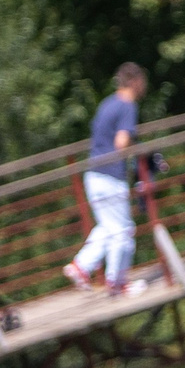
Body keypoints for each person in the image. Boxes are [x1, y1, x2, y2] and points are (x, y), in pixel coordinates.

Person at [64, 64, 149, 295]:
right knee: (123, 230)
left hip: (93, 174)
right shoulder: (127, 105)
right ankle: (118, 282)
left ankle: (81, 266)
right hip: (111, 175)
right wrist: (138, 150)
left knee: (109, 226)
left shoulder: (107, 103)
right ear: (135, 82)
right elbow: (121, 143)